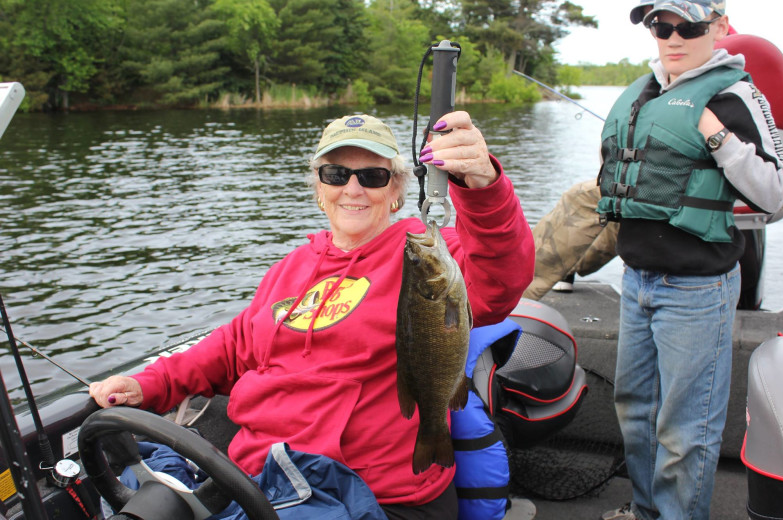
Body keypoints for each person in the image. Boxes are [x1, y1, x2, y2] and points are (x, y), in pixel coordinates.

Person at [88, 112, 535, 518]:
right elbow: (232, 348)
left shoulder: (428, 254)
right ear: (319, 187)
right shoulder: (294, 266)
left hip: (368, 494)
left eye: (374, 175)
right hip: (256, 481)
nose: (353, 188)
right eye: (336, 173)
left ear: (396, 189)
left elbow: (500, 278)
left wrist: (483, 184)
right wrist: (148, 383)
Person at [598, 1, 783, 520]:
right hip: (636, 279)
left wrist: (718, 138)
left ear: (721, 29)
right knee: (635, 414)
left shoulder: (735, 96)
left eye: (689, 26)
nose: (673, 37)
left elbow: (779, 195)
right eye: (662, 26)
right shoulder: (644, 93)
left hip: (697, 289)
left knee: (686, 432)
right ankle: (645, 512)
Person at [524, 1, 655, 300]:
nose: (673, 37)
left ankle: (519, 288)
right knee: (610, 207)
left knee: (584, 197)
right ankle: (568, 268)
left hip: (666, 196)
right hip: (649, 193)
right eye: (660, 27)